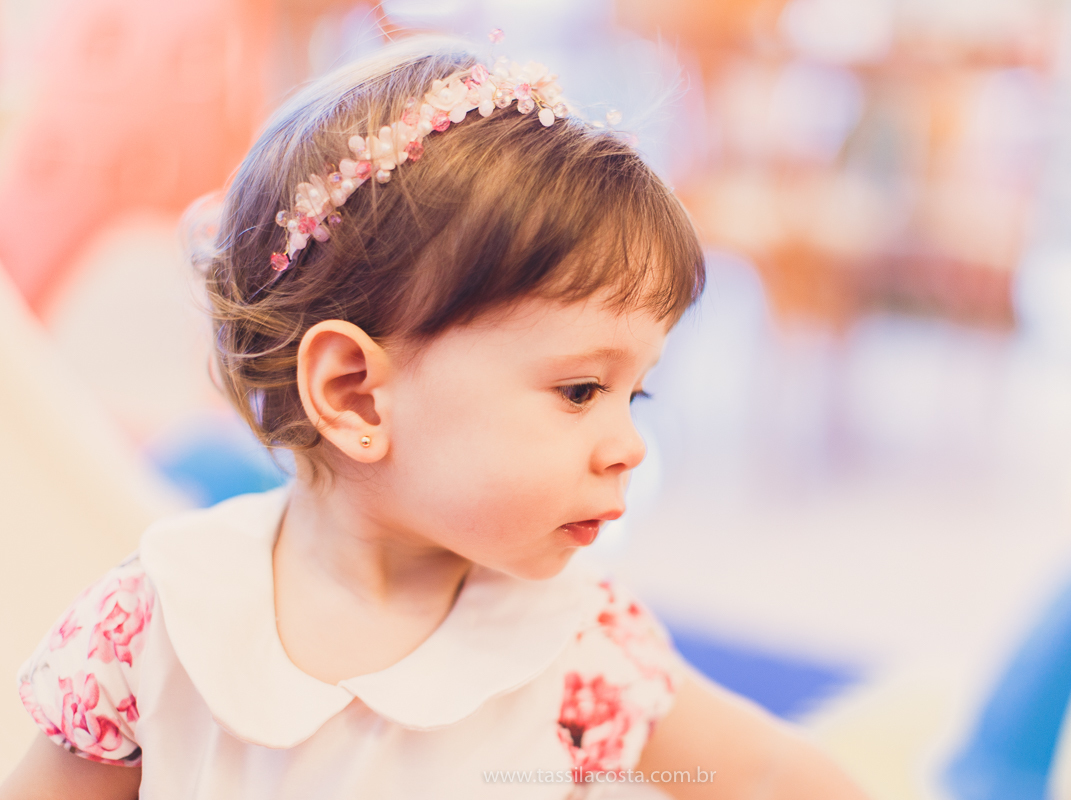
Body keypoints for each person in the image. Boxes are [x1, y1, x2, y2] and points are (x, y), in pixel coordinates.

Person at [0, 35, 869, 800]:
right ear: (354, 394)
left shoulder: (577, 643)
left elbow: (763, 776)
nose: (630, 448)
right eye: (579, 391)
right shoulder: (163, 619)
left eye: (632, 393)